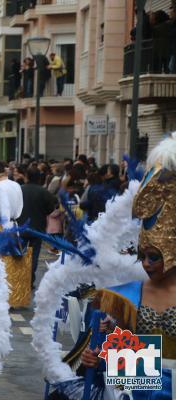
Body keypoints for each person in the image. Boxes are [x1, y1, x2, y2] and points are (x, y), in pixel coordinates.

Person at [76, 133, 176, 400]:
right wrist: (100, 360)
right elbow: (130, 365)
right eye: (142, 255)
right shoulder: (129, 296)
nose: (145, 264)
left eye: (153, 257)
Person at [17, 167, 56, 288]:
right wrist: (43, 211)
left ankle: (20, 278)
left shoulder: (20, 190)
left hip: (21, 226)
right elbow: (53, 206)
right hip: (37, 227)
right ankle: (30, 279)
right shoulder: (43, 191)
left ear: (26, 177)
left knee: (20, 253)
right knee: (34, 255)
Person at [0, 161, 23, 229]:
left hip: (1, 227)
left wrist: (5, 228)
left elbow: (5, 206)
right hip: (14, 226)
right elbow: (20, 205)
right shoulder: (16, 185)